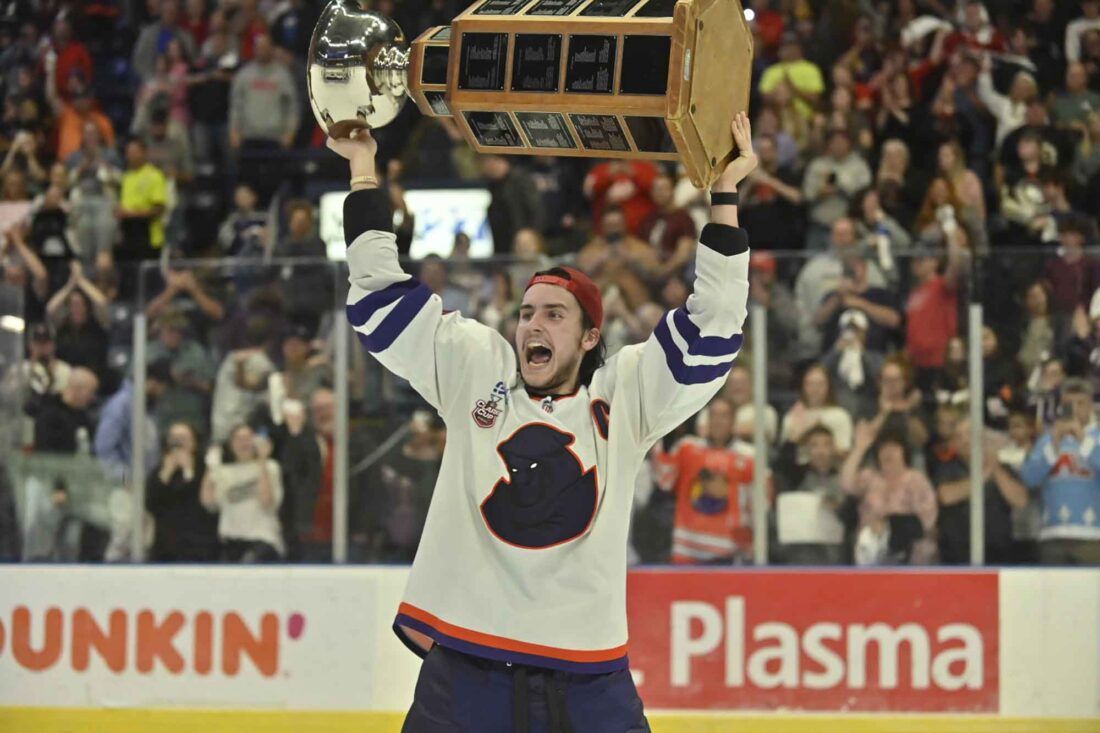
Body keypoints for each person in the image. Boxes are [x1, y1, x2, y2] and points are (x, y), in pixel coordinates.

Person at [328, 112, 755, 729]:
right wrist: (363, 171)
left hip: (586, 673)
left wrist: (725, 198)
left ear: (588, 337)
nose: (533, 324)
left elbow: (714, 329)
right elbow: (376, 296)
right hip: (466, 663)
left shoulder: (627, 393)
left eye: (555, 315)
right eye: (527, 312)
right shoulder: (477, 368)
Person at [651, 397, 758, 565]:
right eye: (714, 415)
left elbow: (758, 505)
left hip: (729, 552)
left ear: (733, 421)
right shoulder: (686, 448)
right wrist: (666, 436)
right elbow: (664, 481)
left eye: (724, 416)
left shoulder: (749, 456)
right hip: (687, 549)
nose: (718, 421)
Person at [1020, 377, 1100, 564]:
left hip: (1093, 534)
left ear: (1090, 406)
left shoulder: (1097, 437)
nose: (1075, 409)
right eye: (1068, 404)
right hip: (1052, 533)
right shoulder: (1047, 440)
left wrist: (1083, 439)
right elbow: (1029, 478)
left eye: (1081, 403)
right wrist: (1054, 445)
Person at [841, 418, 938, 565]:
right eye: (883, 449)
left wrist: (890, 528)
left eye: (894, 448)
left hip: (911, 553)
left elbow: (927, 520)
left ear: (904, 452)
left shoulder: (917, 480)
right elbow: (847, 484)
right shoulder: (870, 477)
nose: (888, 453)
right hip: (870, 550)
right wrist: (859, 448)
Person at [934, 417, 1029, 564]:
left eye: (969, 434)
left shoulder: (1002, 467)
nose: (965, 440)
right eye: (959, 436)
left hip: (997, 553)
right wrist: (983, 475)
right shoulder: (948, 467)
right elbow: (946, 496)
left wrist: (995, 469)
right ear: (953, 443)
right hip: (956, 554)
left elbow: (1020, 500)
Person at [201, 423, 285, 562]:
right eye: (238, 439)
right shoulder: (224, 472)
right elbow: (208, 502)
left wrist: (262, 460)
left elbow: (267, 501)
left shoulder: (271, 467)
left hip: (262, 539)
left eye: (247, 438)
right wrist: (210, 467)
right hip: (231, 540)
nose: (243, 443)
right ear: (231, 444)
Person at [146, 421, 218, 561]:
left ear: (194, 442)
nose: (178, 443)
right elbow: (150, 504)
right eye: (174, 439)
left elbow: (205, 504)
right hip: (165, 547)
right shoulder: (159, 470)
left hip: (199, 546)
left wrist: (188, 472)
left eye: (183, 438)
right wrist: (165, 474)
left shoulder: (205, 469)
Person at [780, 364, 854, 457]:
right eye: (810, 384)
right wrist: (799, 435)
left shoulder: (840, 416)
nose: (815, 389)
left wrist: (822, 441)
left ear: (828, 387)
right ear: (803, 387)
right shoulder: (792, 417)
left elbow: (845, 454)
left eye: (820, 384)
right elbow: (783, 457)